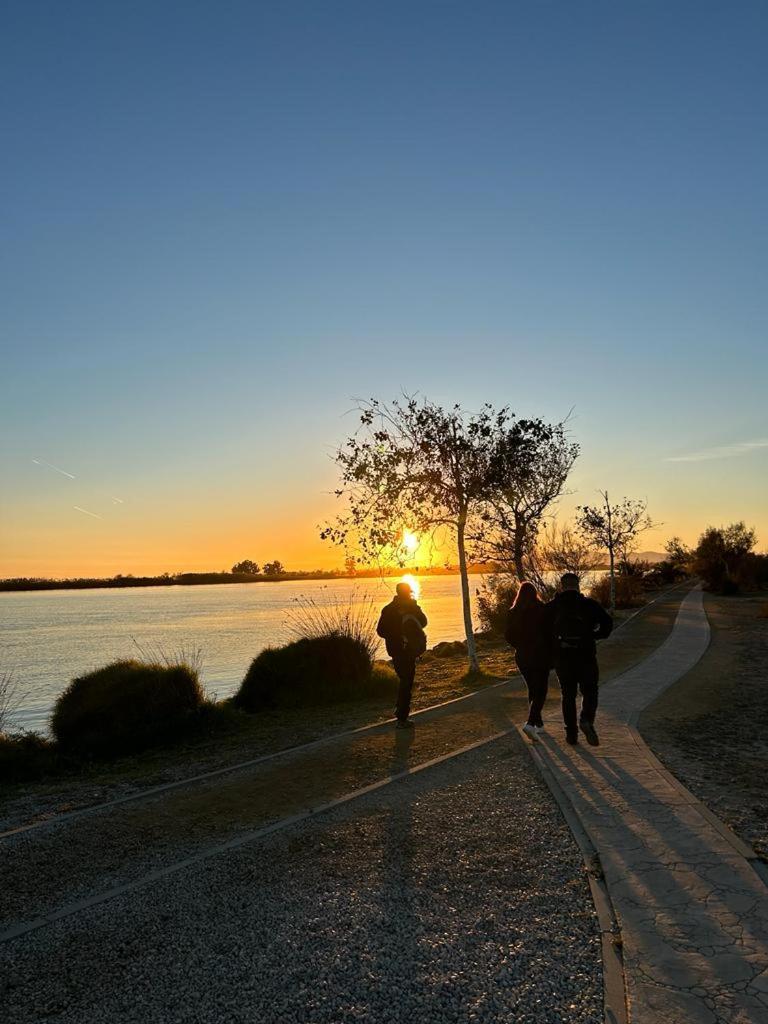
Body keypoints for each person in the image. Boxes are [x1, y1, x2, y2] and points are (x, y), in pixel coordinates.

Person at [543, 572, 613, 746]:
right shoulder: (589, 605)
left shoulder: (552, 607)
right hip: (586, 655)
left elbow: (542, 631)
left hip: (563, 657)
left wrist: (553, 648)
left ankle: (571, 735)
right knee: (590, 691)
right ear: (578, 585)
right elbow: (607, 624)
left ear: (561, 586)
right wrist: (594, 636)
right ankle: (586, 720)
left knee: (568, 695)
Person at [376, 581, 428, 729]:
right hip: (409, 649)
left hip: (395, 650)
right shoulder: (412, 607)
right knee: (407, 681)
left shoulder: (388, 609)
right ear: (408, 592)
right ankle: (401, 717)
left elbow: (380, 631)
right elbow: (424, 623)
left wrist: (395, 635)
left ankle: (400, 710)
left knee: (404, 679)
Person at [504, 581, 551, 741]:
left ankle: (539, 725)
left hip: (522, 656)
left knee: (532, 688)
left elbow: (508, 636)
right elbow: (549, 632)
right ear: (534, 593)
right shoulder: (542, 610)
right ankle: (531, 724)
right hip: (540, 655)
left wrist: (519, 646)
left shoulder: (513, 612)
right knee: (541, 690)